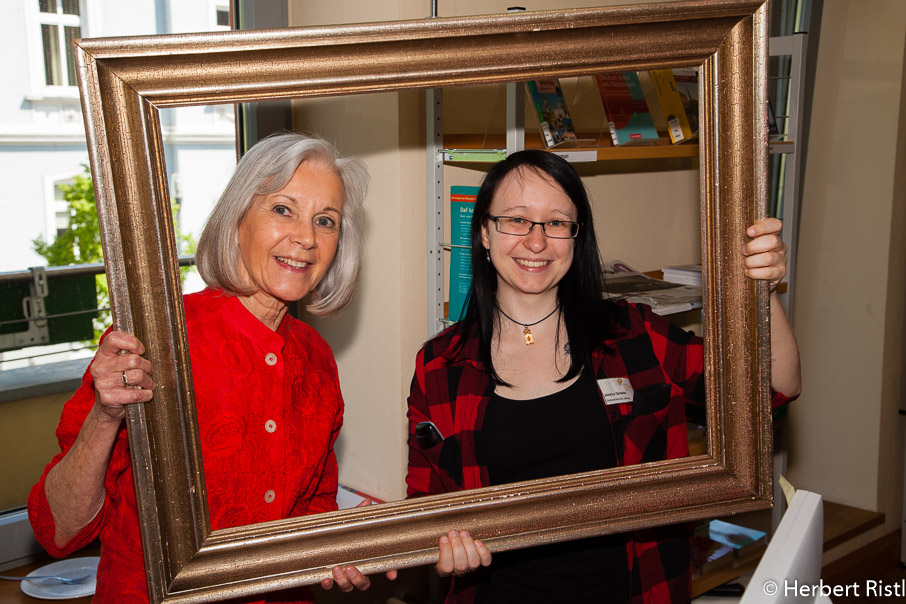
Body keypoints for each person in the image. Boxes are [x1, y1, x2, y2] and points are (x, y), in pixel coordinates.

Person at [405, 150, 801, 603]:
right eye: (516, 219)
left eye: (556, 223)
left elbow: (774, 388)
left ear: (577, 237)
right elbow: (425, 511)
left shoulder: (635, 335)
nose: (536, 242)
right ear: (484, 234)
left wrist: (763, 286)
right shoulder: (439, 366)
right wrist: (441, 550)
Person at [27, 133, 389, 602]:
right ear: (237, 219)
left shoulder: (317, 358)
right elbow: (59, 531)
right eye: (283, 209)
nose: (306, 238)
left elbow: (313, 506)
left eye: (326, 221)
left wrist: (335, 548)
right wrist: (105, 415)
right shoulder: (155, 339)